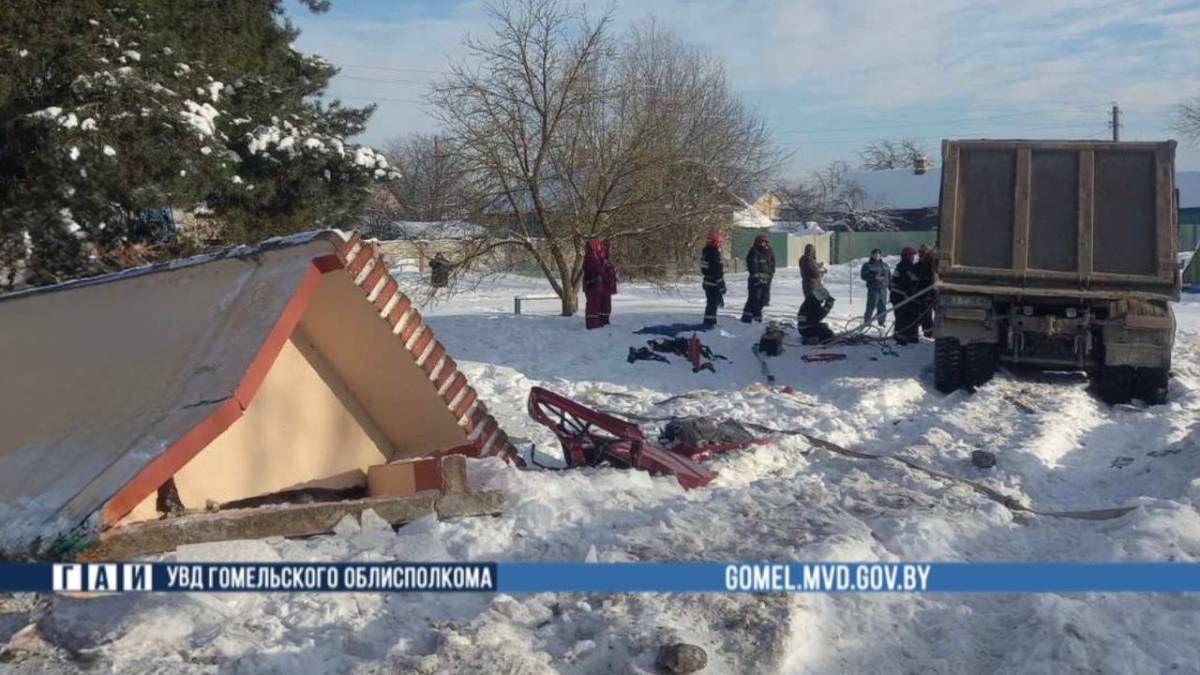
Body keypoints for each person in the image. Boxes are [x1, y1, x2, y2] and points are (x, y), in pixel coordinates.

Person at [797, 243, 834, 343]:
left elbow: (812, 267)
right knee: (828, 334)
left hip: (802, 325)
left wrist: (817, 265)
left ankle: (810, 335)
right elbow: (815, 273)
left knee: (821, 324)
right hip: (813, 284)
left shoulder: (803, 259)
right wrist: (828, 306)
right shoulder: (808, 260)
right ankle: (811, 338)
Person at [890, 246, 923, 345]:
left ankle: (911, 335)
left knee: (910, 316)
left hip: (905, 296)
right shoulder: (904, 266)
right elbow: (906, 281)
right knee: (901, 317)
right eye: (912, 255)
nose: (913, 257)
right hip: (900, 297)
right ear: (907, 256)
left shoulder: (908, 266)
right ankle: (901, 336)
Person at [741, 234, 775, 322]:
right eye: (761, 242)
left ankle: (757, 316)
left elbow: (772, 264)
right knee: (754, 298)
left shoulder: (769, 251)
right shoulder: (754, 251)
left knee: (762, 300)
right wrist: (756, 278)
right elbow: (752, 266)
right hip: (755, 281)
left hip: (766, 281)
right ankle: (747, 317)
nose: (763, 244)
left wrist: (770, 276)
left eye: (765, 242)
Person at [582, 238, 614, 329]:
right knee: (593, 305)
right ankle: (593, 324)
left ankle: (601, 321)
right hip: (593, 285)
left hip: (598, 285)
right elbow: (597, 269)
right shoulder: (592, 257)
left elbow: (603, 268)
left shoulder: (601, 257)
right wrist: (607, 276)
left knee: (602, 304)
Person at [700, 232, 726, 327]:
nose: (720, 245)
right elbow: (717, 272)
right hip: (713, 283)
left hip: (707, 282)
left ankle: (708, 321)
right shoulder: (714, 254)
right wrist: (722, 286)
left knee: (710, 303)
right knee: (713, 304)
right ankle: (710, 323)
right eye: (719, 243)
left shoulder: (705, 252)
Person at [859, 248, 889, 326]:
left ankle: (881, 322)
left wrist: (890, 286)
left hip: (883, 290)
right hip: (873, 289)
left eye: (878, 254)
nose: (877, 256)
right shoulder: (868, 265)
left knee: (882, 307)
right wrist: (873, 277)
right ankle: (867, 322)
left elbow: (889, 277)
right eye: (875, 254)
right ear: (872, 255)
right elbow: (863, 276)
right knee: (871, 306)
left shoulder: (885, 265)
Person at [915, 243, 936, 338]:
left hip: (932, 291)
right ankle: (928, 331)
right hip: (923, 292)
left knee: (935, 311)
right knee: (925, 313)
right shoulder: (920, 264)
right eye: (920, 252)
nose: (920, 254)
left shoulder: (933, 263)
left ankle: (933, 330)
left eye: (922, 252)